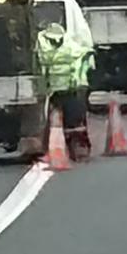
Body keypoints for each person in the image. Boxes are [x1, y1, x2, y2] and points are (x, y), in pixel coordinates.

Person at [36, 23, 94, 160]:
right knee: (57, 121)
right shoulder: (45, 48)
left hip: (71, 88)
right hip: (57, 90)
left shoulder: (69, 47)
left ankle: (77, 146)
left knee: (73, 119)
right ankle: (58, 148)